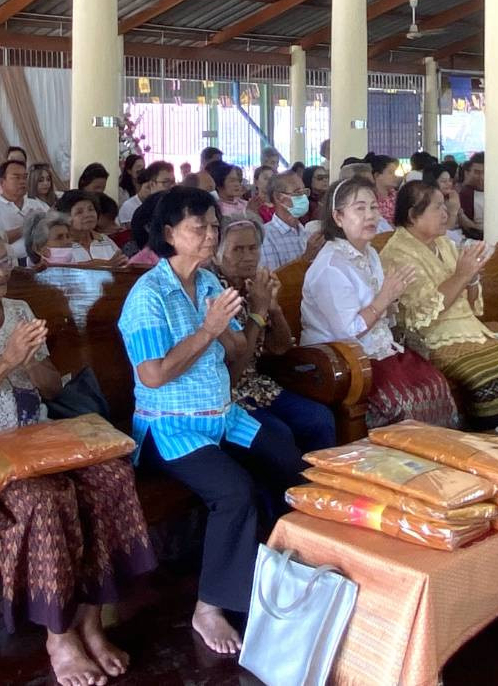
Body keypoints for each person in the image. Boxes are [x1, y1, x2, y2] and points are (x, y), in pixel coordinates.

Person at [0, 226, 155, 683]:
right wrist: (4, 362)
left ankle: (92, 622)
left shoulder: (17, 310)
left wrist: (30, 361)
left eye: (5, 260)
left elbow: (51, 387)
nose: (4, 271)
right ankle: (58, 636)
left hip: (36, 440)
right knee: (46, 496)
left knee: (111, 476)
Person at [118, 187, 305, 654]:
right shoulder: (148, 295)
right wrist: (208, 331)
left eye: (212, 227)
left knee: (287, 451)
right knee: (233, 492)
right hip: (170, 426)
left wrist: (234, 329)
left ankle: (283, 562)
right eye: (197, 228)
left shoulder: (206, 283)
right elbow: (154, 374)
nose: (208, 236)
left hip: (221, 415)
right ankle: (210, 608)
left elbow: (238, 354)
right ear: (168, 234)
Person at [300, 177, 457, 428]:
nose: (370, 215)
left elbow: (385, 312)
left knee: (434, 384)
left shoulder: (370, 252)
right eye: (359, 208)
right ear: (338, 217)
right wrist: (384, 297)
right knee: (404, 401)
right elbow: (347, 333)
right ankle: (398, 462)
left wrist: (393, 298)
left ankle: (434, 459)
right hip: (343, 360)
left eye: (373, 207)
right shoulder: (331, 266)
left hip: (379, 347)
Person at [382, 181, 498, 428]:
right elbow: (424, 311)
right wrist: (462, 276)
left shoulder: (443, 243)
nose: (446, 214)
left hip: (467, 330)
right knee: (489, 377)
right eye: (437, 208)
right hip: (430, 337)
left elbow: (470, 298)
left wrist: (473, 276)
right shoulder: (397, 253)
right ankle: (491, 450)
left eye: (445, 207)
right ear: (413, 215)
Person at [213, 218, 335, 453]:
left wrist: (273, 307)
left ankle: (321, 487)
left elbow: (280, 348)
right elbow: (234, 371)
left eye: (253, 248)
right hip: (228, 393)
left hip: (259, 386)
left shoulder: (254, 285)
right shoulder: (215, 292)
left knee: (320, 419)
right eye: (238, 250)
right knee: (279, 435)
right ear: (217, 256)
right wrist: (258, 311)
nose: (248, 256)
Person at [0, 159, 45, 263]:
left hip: (41, 259)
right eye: (16, 177)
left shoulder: (36, 204)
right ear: (2, 182)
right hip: (9, 263)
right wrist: (27, 226)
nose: (22, 181)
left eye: (25, 177)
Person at [260, 169, 322, 270]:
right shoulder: (265, 237)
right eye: (297, 193)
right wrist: (305, 259)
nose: (303, 198)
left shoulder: (306, 232)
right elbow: (272, 281)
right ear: (279, 197)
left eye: (304, 192)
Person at [50, 192, 127, 266]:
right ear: (65, 218)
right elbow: (61, 268)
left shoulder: (105, 240)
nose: (88, 215)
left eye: (91, 209)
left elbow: (122, 264)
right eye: (79, 212)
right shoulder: (61, 243)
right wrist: (107, 265)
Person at [116, 161, 174, 226]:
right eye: (166, 182)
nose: (171, 186)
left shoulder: (170, 204)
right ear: (151, 184)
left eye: (173, 182)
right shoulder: (132, 209)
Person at [458, 152, 485, 240]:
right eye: (477, 172)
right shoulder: (466, 194)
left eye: (484, 172)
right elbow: (468, 227)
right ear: (468, 172)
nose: (481, 177)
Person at [368, 154, 401, 223]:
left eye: (395, 172)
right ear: (377, 175)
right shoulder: (369, 199)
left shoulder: (398, 197)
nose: (395, 176)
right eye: (390, 173)